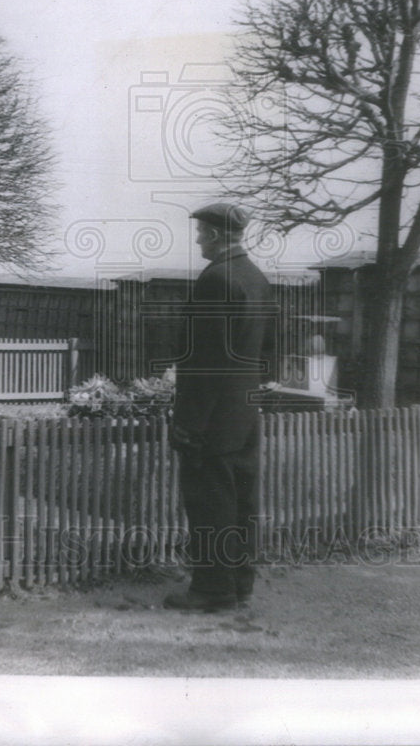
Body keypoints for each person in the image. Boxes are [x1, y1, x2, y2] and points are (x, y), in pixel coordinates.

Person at [164, 202, 276, 613]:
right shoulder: (256, 277)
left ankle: (211, 590)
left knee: (210, 504)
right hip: (244, 411)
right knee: (241, 502)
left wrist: (189, 423)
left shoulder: (216, 279)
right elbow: (266, 350)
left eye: (200, 233)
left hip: (210, 415)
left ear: (213, 234)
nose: (196, 240)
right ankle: (239, 583)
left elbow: (203, 361)